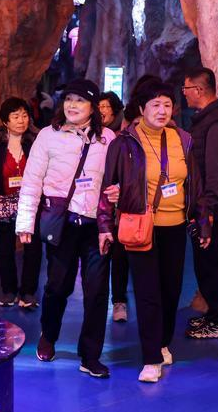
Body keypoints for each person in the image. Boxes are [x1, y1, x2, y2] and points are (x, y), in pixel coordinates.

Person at [98, 80, 212, 383]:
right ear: (141, 108)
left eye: (167, 105)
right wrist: (105, 225)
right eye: (155, 105)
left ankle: (162, 343)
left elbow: (196, 185)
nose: (162, 111)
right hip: (141, 228)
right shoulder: (124, 143)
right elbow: (107, 188)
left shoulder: (183, 139)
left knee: (171, 290)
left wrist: (202, 221)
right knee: (147, 293)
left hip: (175, 227)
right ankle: (151, 358)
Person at [15, 78, 116, 378]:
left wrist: (119, 193)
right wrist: (25, 223)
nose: (72, 105)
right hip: (63, 222)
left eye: (80, 100)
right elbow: (32, 181)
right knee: (58, 286)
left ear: (93, 107)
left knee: (97, 291)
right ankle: (48, 335)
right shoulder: (48, 136)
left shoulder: (108, 138)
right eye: (69, 99)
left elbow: (116, 179)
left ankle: (90, 355)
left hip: (97, 224)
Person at [181, 67, 218, 339]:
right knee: (205, 262)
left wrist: (208, 211)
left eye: (186, 89)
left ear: (199, 90)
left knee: (211, 263)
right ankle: (215, 314)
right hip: (204, 206)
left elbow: (214, 172)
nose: (184, 94)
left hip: (209, 209)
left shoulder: (214, 123)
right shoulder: (205, 119)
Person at [0, 98, 42, 308]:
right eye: (15, 116)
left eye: (24, 115)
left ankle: (28, 292)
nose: (21, 120)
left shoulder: (36, 141)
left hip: (30, 204)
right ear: (5, 121)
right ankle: (9, 291)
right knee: (4, 249)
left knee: (33, 248)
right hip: (2, 204)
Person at [98, 91, 128, 320]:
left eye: (105, 106)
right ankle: (98, 302)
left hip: (119, 206)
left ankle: (119, 301)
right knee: (100, 257)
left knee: (119, 257)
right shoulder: (94, 135)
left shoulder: (123, 136)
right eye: (98, 106)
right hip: (98, 205)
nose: (101, 110)